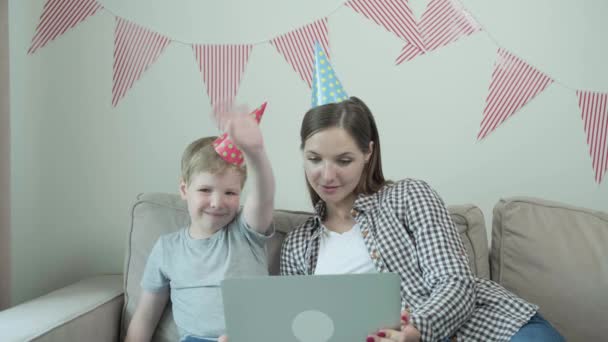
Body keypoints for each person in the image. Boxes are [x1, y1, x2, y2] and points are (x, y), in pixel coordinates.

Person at [280, 96, 564, 342]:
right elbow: (303, 329)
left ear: (368, 152)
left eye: (343, 160)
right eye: (315, 159)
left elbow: (455, 281)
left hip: (493, 330)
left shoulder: (408, 196)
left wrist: (416, 329)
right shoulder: (297, 245)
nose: (327, 175)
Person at [125, 106, 275, 342]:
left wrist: (255, 153)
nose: (217, 202)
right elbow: (145, 317)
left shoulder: (247, 232)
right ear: (185, 189)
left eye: (230, 192)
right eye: (205, 190)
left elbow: (264, 195)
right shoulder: (167, 249)